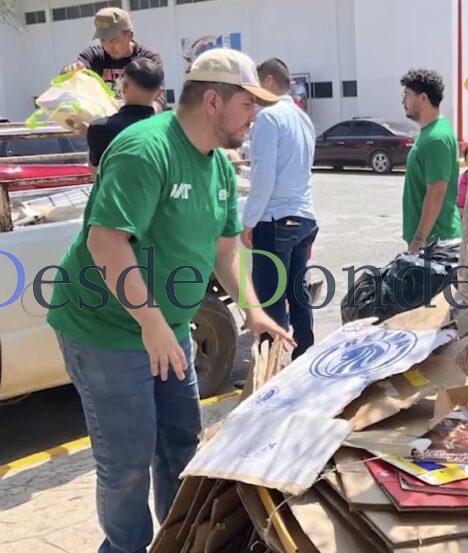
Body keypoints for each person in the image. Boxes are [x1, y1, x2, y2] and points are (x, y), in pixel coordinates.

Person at [46, 49, 292, 553]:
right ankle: (124, 548)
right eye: (248, 105)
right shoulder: (145, 150)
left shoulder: (218, 169)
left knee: (181, 444)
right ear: (212, 101)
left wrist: (255, 311)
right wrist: (152, 323)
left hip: (166, 327)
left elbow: (227, 251)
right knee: (128, 461)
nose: (255, 117)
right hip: (105, 329)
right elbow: (105, 243)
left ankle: (177, 542)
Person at [240, 58, 319, 358]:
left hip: (275, 220)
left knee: (271, 300)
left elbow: (264, 176)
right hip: (303, 219)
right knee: (299, 297)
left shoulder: (268, 117)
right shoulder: (302, 118)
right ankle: (305, 359)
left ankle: (271, 371)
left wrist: (249, 221)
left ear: (269, 82)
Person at [400, 68, 461, 252]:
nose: (403, 101)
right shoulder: (431, 131)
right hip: (431, 241)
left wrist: (419, 239)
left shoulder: (436, 138)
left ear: (423, 98)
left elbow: (436, 192)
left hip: (435, 243)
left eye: (407, 95)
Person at [62, 8, 163, 103]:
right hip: (104, 118)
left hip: (137, 119)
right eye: (103, 40)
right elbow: (70, 74)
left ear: (130, 35)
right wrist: (70, 70)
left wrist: (151, 112)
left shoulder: (148, 59)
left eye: (114, 40)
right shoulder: (94, 55)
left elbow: (159, 97)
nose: (108, 47)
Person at [86, 58, 164, 167]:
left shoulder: (99, 127)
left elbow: (96, 169)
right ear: (159, 94)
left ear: (124, 87)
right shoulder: (168, 130)